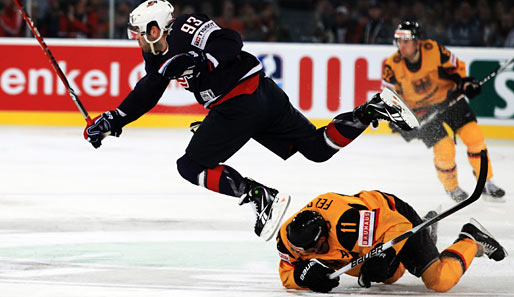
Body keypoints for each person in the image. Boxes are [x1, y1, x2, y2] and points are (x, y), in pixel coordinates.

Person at [84, 0, 416, 241]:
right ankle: (373, 110)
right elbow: (149, 90)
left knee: (191, 166)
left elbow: (230, 41)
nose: (137, 40)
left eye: (139, 34)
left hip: (240, 102)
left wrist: (202, 61)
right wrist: (113, 119)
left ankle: (260, 197)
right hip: (259, 95)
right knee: (316, 148)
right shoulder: (154, 52)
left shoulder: (187, 26)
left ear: (155, 29)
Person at [276, 191, 506, 293]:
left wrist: (383, 254)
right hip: (365, 240)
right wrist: (304, 277)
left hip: (394, 217)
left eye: (320, 246)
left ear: (325, 230)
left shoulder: (348, 225)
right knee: (389, 275)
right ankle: (428, 235)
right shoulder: (289, 239)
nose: (318, 252)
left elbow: (398, 225)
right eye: (312, 252)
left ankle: (471, 238)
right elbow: (287, 273)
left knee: (439, 280)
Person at [381, 20, 505, 202]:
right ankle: (452, 187)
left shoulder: (434, 50)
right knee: (444, 149)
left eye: (405, 41)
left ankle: (486, 180)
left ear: (417, 42)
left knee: (474, 137)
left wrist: (466, 83)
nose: (402, 46)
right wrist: (399, 121)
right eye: (399, 41)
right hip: (422, 113)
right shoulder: (393, 65)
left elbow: (457, 70)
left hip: (449, 99)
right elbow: (388, 97)